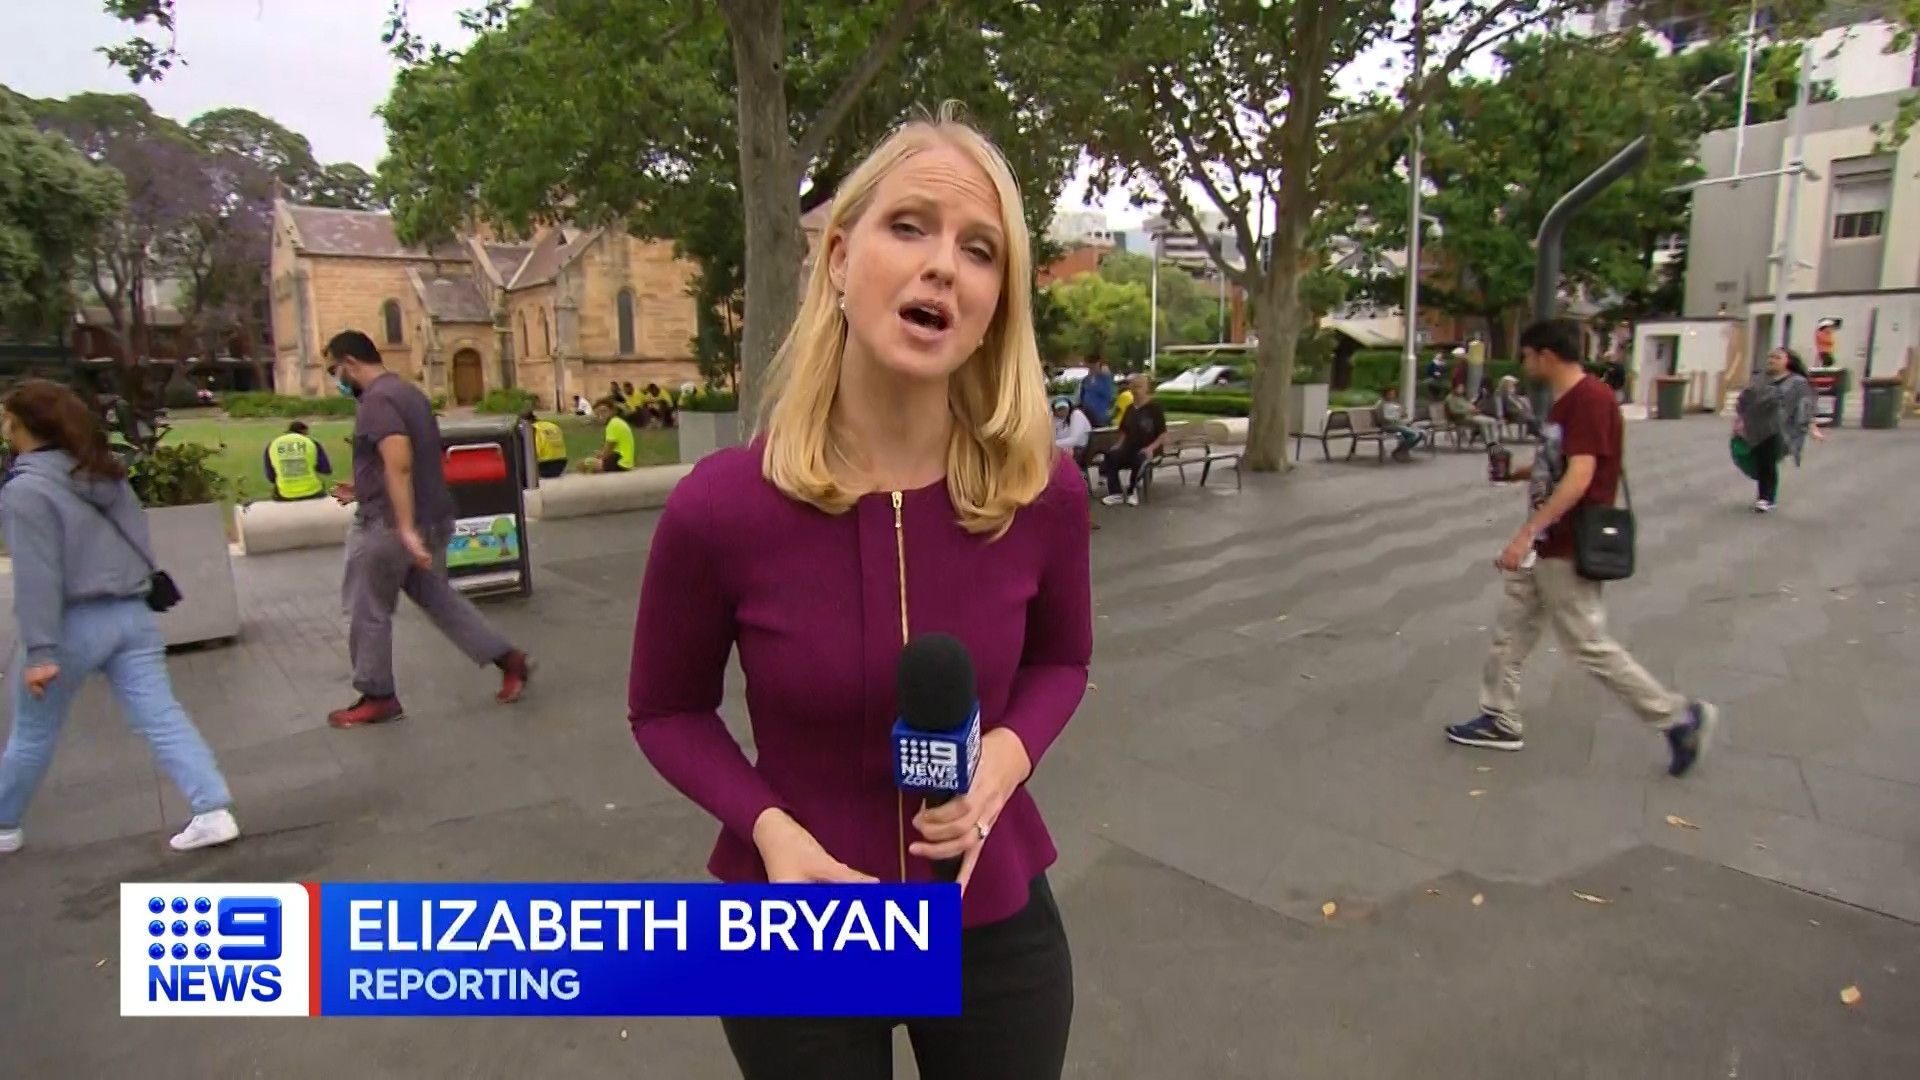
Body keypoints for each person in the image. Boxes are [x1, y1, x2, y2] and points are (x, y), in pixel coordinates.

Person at [628, 104, 1087, 1080]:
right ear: (838, 258)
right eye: (909, 227)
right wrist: (770, 832)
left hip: (989, 918)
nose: (943, 267)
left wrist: (1005, 762)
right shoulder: (721, 507)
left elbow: (1063, 660)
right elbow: (666, 710)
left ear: (996, 303)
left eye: (979, 249)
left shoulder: (1041, 491)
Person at [1446, 319, 1718, 776]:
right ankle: (1499, 717)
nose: (1524, 364)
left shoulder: (1589, 400)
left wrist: (1527, 532)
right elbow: (1560, 462)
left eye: (1527, 356)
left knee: (1588, 643)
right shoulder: (1568, 401)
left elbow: (1580, 476)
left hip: (1567, 544)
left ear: (1547, 355)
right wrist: (1518, 473)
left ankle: (1678, 718)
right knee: (1512, 631)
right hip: (1548, 543)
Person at [0, 379, 239, 853]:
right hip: (131, 614)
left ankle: (4, 823)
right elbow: (136, 536)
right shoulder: (103, 474)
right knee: (161, 716)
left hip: (69, 624)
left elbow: (37, 576)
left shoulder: (26, 492)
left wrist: (41, 652)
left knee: (32, 733)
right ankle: (212, 809)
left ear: (20, 424)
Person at [324, 330, 532, 728]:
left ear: (350, 363)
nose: (337, 380)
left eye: (335, 370)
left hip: (389, 526)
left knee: (366, 607)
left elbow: (399, 461)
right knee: (439, 600)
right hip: (430, 517)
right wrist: (364, 487)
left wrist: (404, 528)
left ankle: (377, 696)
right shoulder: (409, 394)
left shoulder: (376, 401)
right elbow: (411, 461)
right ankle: (509, 659)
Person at [1735, 347, 1822, 513]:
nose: (1772, 360)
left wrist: (1812, 427)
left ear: (1788, 361)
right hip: (1758, 427)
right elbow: (1745, 400)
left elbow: (1805, 406)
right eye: (1770, 357)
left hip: (1779, 429)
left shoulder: (1797, 383)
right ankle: (1764, 497)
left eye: (1777, 357)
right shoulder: (1761, 379)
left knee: (1768, 461)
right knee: (1761, 461)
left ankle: (1766, 499)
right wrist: (1741, 420)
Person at [1100, 374, 1166, 506]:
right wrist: (1119, 445)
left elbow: (1163, 434)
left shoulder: (1155, 408)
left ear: (1146, 388)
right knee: (1112, 455)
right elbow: (1124, 431)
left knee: (1140, 457)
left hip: (1149, 448)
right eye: (1133, 387)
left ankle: (1132, 491)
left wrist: (1151, 448)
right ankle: (1115, 493)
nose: (1135, 390)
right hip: (1130, 446)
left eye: (1139, 387)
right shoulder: (1130, 408)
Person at [263, 420, 332, 501]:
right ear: (303, 431)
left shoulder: (273, 444)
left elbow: (271, 476)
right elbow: (326, 470)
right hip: (313, 492)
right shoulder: (312, 442)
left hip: (285, 493)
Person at [1375, 385, 1424, 462]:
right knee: (1412, 434)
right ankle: (1399, 451)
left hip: (1399, 424)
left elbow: (1403, 415)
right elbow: (1383, 418)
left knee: (1421, 433)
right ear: (1385, 394)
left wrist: (1402, 413)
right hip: (1389, 425)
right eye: (1390, 394)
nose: (1392, 396)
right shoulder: (1382, 404)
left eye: (1393, 394)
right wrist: (1396, 417)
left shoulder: (1395, 404)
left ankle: (1401, 450)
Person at [591, 397, 635, 473]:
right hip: (626, 462)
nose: (601, 415)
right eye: (598, 414)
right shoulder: (617, 422)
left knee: (583, 464)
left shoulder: (613, 424)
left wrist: (599, 457)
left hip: (620, 462)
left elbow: (607, 451)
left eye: (604, 411)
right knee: (592, 462)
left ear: (612, 411)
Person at [524, 409, 569, 479]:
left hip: (544, 466)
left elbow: (535, 450)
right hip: (561, 464)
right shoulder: (553, 426)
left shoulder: (532, 429)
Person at [1078, 357, 1115, 427]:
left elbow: (1110, 396)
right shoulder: (1086, 379)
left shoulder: (1105, 379)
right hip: (1087, 415)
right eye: (1090, 365)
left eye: (1094, 364)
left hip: (1100, 416)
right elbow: (1082, 395)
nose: (1092, 367)